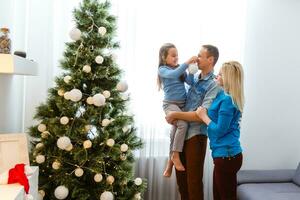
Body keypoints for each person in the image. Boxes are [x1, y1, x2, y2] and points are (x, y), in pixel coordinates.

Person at [166, 44, 220, 200]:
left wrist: (175, 114)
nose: (197, 58)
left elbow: (200, 115)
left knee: (193, 183)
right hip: (181, 135)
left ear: (210, 59)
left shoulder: (214, 84)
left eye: (200, 56)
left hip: (196, 136)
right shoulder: (195, 78)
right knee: (181, 181)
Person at [196, 61, 244, 200]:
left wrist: (203, 116)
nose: (217, 76)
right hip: (225, 155)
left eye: (221, 74)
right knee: (219, 195)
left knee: (225, 196)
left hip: (227, 156)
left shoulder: (228, 100)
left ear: (228, 78)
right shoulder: (223, 96)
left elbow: (219, 130)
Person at [157, 43, 198, 177]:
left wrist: (191, 71)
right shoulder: (163, 69)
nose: (176, 58)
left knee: (174, 132)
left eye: (177, 55)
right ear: (164, 57)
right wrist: (186, 63)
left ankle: (169, 166)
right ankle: (175, 155)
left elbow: (190, 82)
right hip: (170, 105)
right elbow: (175, 74)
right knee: (183, 124)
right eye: (173, 55)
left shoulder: (180, 69)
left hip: (182, 105)